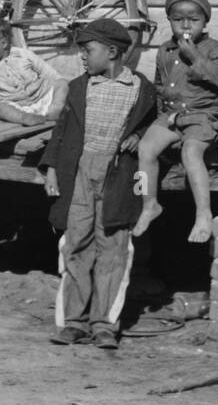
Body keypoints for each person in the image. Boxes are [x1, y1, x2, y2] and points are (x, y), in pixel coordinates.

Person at [40, 17, 155, 349]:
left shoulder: (141, 89)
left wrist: (139, 135)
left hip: (119, 176)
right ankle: (73, 322)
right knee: (76, 241)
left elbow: (156, 121)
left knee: (114, 246)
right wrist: (50, 169)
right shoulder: (79, 87)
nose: (83, 57)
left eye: (88, 50)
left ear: (113, 51)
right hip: (79, 172)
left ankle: (105, 323)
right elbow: (61, 131)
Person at [132, 0, 218, 244]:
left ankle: (203, 214)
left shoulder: (211, 49)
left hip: (203, 113)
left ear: (205, 22)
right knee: (145, 150)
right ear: (170, 21)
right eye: (178, 20)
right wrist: (161, 116)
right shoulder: (165, 50)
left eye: (193, 20)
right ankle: (149, 203)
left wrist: (195, 58)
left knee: (190, 152)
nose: (186, 25)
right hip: (173, 114)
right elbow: (159, 85)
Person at [0, 14, 67, 124]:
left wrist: (58, 84)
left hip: (43, 96)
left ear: (3, 43)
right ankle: (24, 118)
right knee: (1, 108)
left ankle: (55, 109)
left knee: (62, 83)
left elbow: (46, 70)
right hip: (17, 105)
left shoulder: (24, 54)